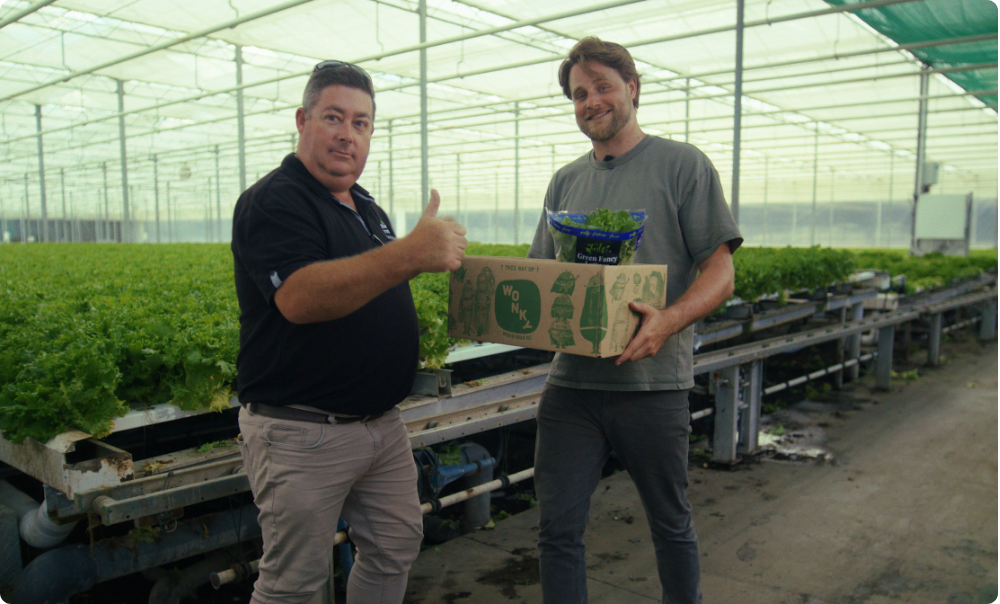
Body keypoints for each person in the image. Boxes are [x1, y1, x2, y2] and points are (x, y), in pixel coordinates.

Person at [231, 60, 467, 604]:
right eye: (333, 117)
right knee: (294, 582)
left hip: (380, 424)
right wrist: (408, 253)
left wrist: (414, 255)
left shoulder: (364, 205)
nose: (347, 134)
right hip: (304, 430)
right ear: (303, 120)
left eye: (361, 123)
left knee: (394, 545)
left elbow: (373, 281)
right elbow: (299, 297)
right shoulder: (275, 200)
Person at [527, 37, 743, 604]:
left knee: (670, 523)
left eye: (602, 86)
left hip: (652, 386)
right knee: (556, 532)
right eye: (579, 94)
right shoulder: (565, 181)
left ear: (632, 88)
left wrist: (667, 321)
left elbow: (721, 272)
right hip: (572, 388)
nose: (591, 101)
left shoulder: (683, 165)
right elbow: (542, 276)